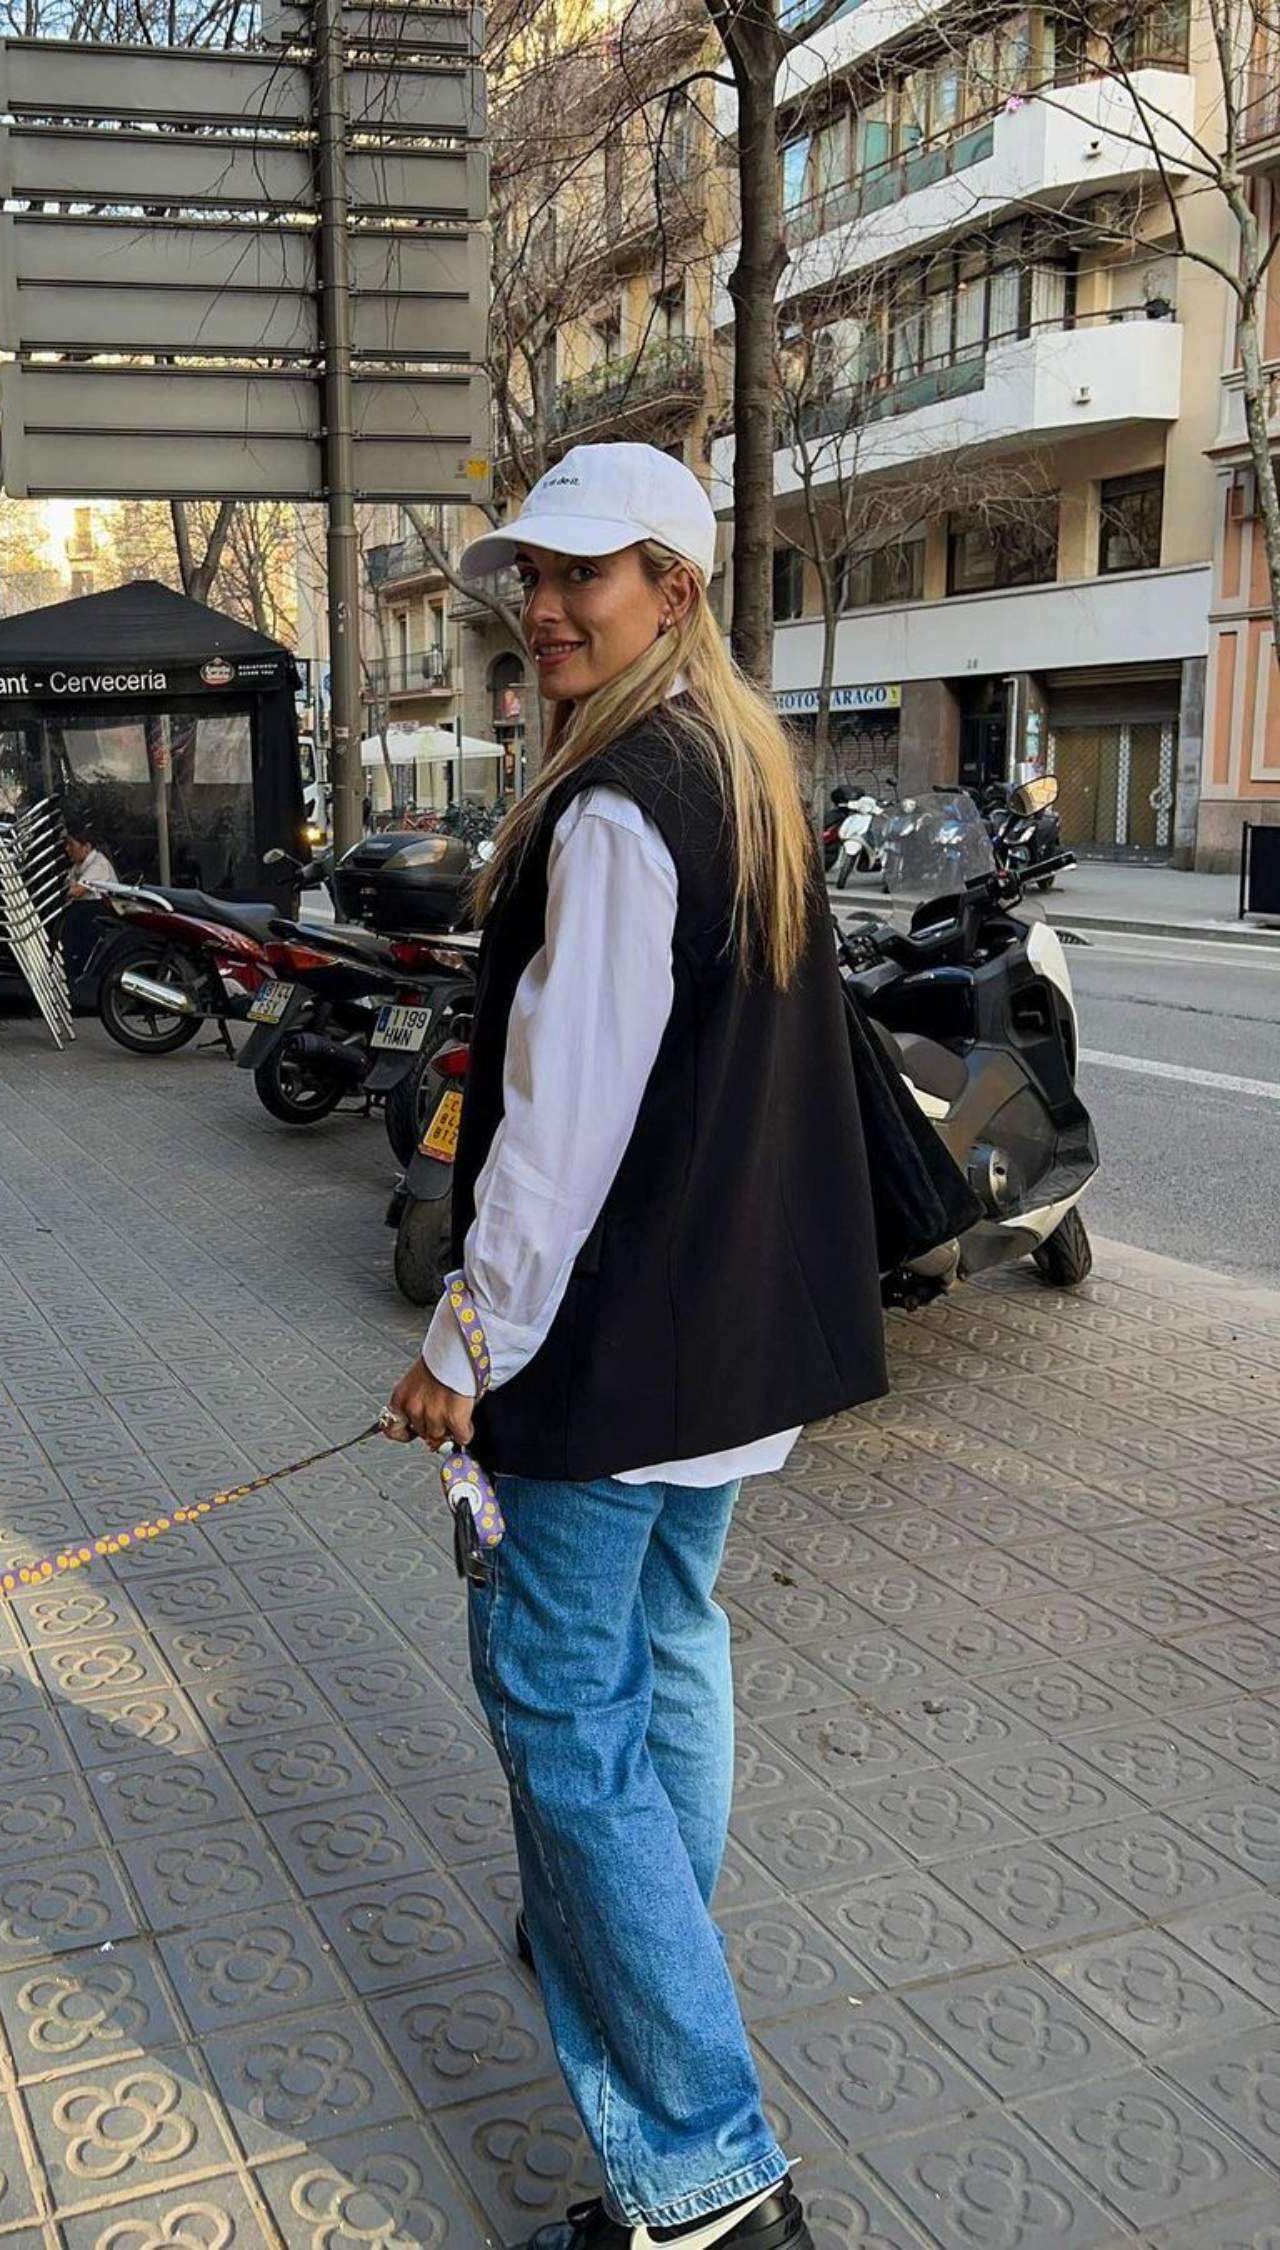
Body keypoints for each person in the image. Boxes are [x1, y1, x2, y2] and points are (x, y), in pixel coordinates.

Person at [384, 443, 887, 2250]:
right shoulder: (744, 773)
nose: (543, 607)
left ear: (672, 588)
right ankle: (635, 1934)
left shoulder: (612, 809)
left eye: (582, 576)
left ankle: (704, 2175)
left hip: (608, 1367)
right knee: (667, 1654)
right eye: (532, 575)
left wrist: (465, 1340)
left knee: (562, 1724)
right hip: (737, 1353)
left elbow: (560, 1122)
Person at [65, 827, 118, 898]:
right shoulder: (77, 865)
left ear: (87, 847)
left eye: (71, 845)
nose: (67, 849)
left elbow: (76, 891)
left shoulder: (99, 865)